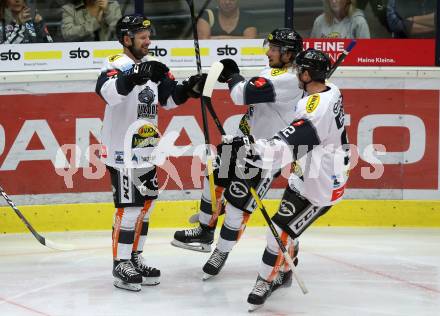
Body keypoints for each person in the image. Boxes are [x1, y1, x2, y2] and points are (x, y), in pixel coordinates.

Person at [171, 28, 304, 280]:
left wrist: (232, 75)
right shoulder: (275, 71)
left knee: (236, 206)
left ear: (288, 54)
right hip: (247, 143)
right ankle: (204, 229)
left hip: (267, 153)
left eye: (274, 49)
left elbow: (242, 94)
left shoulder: (290, 79)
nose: (268, 52)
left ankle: (221, 251)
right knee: (214, 180)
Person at [95, 14, 206, 292]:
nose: (148, 40)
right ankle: (120, 263)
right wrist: (135, 75)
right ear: (126, 39)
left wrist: (191, 88)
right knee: (129, 207)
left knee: (145, 207)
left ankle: (135, 256)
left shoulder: (155, 67)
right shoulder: (114, 63)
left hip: (146, 148)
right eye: (141, 36)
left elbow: (170, 98)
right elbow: (108, 91)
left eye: (148, 35)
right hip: (121, 150)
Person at [243, 48, 350, 311]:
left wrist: (254, 149)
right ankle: (285, 267)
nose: (294, 73)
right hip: (305, 174)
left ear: (306, 74)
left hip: (321, 188)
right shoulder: (331, 90)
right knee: (285, 229)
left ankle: (265, 280)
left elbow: (289, 143)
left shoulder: (316, 111)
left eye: (298, 70)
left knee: (278, 232)